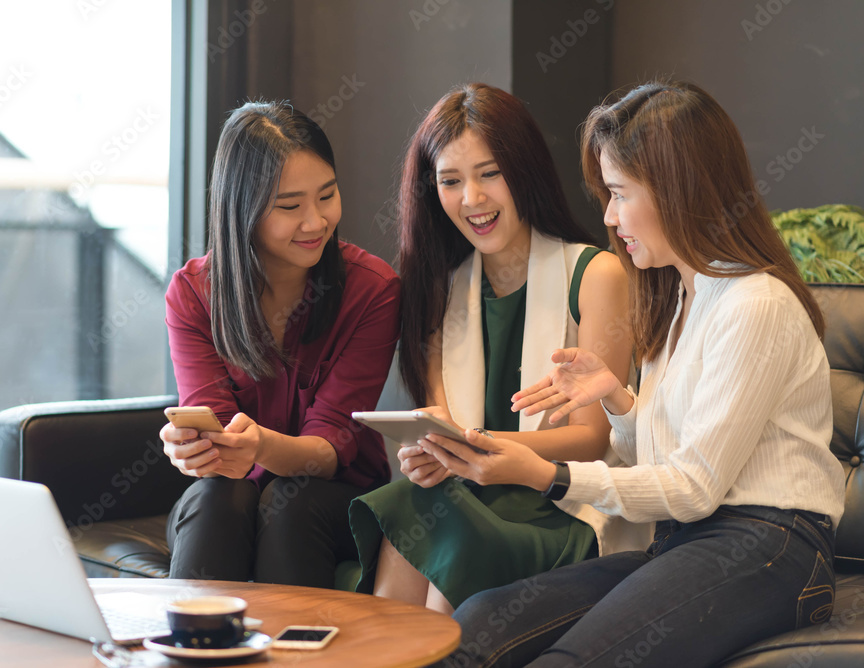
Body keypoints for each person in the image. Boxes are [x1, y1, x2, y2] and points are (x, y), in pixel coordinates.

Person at [425, 81, 845, 667]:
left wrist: (551, 475)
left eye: (619, 194)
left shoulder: (756, 305)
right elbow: (663, 468)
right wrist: (621, 404)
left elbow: (695, 487)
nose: (608, 216)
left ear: (679, 191)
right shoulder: (677, 299)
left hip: (770, 548)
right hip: (682, 539)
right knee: (475, 625)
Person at [348, 83, 648, 614]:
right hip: (467, 493)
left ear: (524, 170)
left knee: (445, 534)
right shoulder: (440, 288)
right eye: (450, 181)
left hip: (562, 504)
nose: (472, 200)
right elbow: (438, 421)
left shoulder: (595, 273)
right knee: (416, 502)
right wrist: (432, 456)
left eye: (490, 174)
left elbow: (593, 439)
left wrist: (483, 449)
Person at [160, 101, 400, 588]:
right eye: (289, 207)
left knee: (288, 503)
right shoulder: (194, 293)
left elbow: (331, 449)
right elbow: (213, 426)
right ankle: (193, 652)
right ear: (242, 208)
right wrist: (194, 448)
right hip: (229, 500)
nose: (315, 222)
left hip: (333, 500)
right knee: (217, 497)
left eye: (327, 196)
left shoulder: (372, 289)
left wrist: (259, 448)